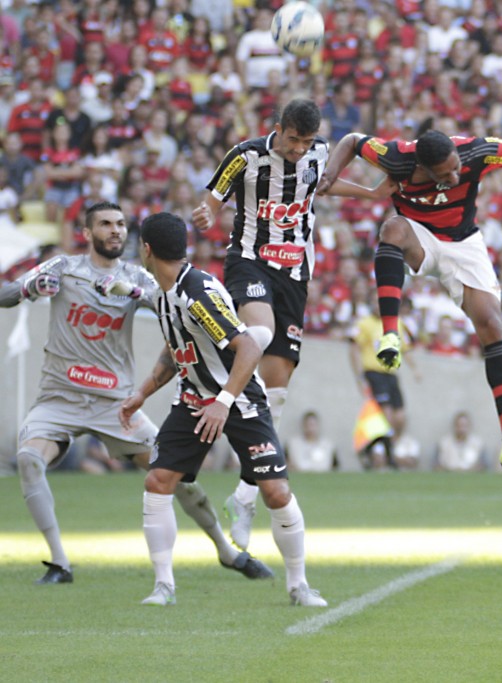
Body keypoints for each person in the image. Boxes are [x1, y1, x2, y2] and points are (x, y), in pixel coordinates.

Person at [317, 121, 502, 470]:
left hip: (463, 243)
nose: (455, 177)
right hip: (419, 234)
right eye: (445, 175)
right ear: (423, 168)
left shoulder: (478, 152)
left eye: (456, 168)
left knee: (491, 325)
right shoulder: (397, 158)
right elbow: (351, 139)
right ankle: (391, 335)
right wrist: (328, 175)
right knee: (392, 229)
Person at [0, 201, 271, 584]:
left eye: (121, 224)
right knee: (28, 460)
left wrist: (130, 292)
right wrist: (29, 287)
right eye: (106, 224)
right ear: (87, 232)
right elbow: (5, 294)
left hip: (117, 404)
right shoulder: (62, 266)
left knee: (179, 479)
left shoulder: (137, 277)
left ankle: (227, 552)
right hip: (58, 398)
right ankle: (60, 563)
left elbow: (167, 301)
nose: (115, 231)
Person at [192, 99, 388, 549]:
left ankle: (244, 497)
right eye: (293, 139)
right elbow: (213, 198)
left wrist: (372, 194)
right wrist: (205, 213)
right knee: (257, 336)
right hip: (250, 263)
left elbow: (325, 186)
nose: (299, 149)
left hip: (296, 275)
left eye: (305, 141)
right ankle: (223, 392)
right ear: (277, 128)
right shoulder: (245, 156)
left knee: (276, 393)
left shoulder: (318, 153)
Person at [120, 212, 326, 607]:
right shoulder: (165, 292)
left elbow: (248, 346)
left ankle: (299, 586)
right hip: (195, 400)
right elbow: (177, 347)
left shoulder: (197, 292)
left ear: (145, 249)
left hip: (239, 399)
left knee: (276, 492)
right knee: (158, 481)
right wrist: (143, 392)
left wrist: (224, 401)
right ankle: (163, 587)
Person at [348, 293, 414, 471]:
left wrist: (416, 370)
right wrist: (359, 376)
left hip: (391, 374)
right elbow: (354, 348)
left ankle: (368, 448)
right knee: (387, 416)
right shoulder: (365, 324)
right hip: (374, 373)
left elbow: (405, 348)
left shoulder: (396, 323)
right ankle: (390, 456)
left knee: (400, 418)